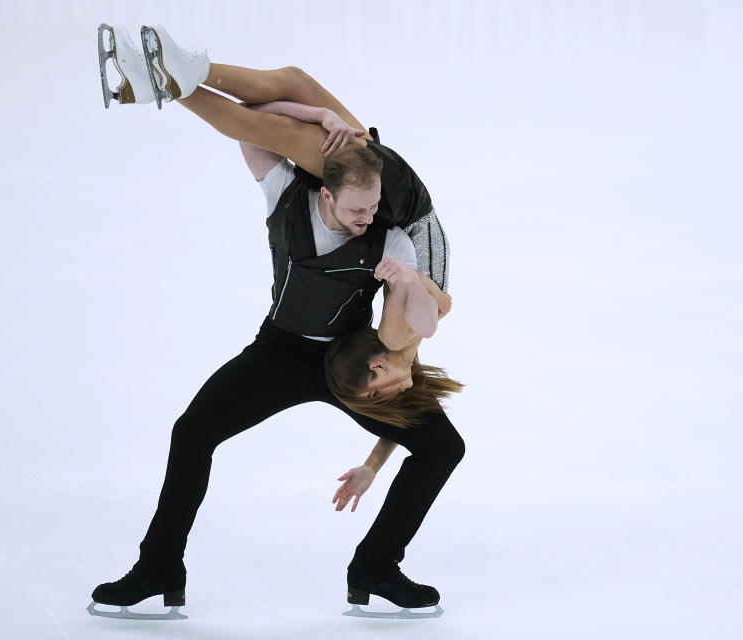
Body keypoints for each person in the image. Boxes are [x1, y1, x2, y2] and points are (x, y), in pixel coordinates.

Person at [90, 23, 465, 615]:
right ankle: (158, 566)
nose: (364, 218)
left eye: (369, 209)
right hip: (279, 352)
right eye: (355, 209)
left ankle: (376, 566)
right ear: (326, 193)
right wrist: (317, 111)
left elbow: (412, 348)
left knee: (444, 447)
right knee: (193, 433)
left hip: (345, 359)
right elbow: (257, 121)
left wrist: (372, 464)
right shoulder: (287, 195)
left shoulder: (389, 235)